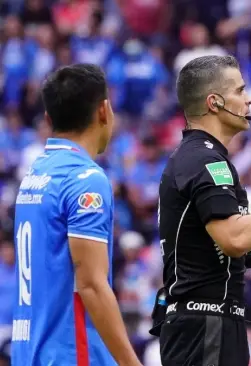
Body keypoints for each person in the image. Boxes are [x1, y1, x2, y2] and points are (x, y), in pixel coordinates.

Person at [153, 55, 251, 366]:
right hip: (206, 325)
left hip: (204, 323)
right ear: (214, 102)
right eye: (240, 91)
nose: (249, 99)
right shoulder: (206, 162)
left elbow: (201, 245)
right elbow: (234, 238)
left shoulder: (195, 157)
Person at [11, 64, 142, 365]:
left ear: (48, 118)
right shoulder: (85, 179)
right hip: (73, 353)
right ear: (104, 110)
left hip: (30, 352)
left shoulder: (35, 174)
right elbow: (92, 285)